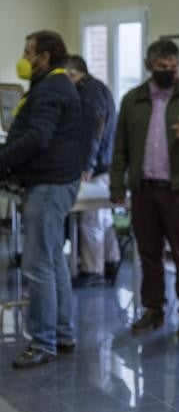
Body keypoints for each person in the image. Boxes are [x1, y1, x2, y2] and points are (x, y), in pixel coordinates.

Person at [110, 38, 179, 337]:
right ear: (149, 66)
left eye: (173, 67)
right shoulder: (132, 100)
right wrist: (117, 186)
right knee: (149, 254)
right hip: (143, 189)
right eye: (161, 67)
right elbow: (120, 148)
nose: (168, 72)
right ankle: (153, 309)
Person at [2, 31, 87, 368]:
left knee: (38, 265)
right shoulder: (54, 84)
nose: (24, 58)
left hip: (49, 185)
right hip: (54, 181)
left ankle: (43, 342)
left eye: (28, 52)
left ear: (45, 58)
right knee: (52, 263)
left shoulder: (52, 86)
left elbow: (38, 137)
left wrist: (4, 160)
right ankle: (62, 336)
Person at [65, 55, 120, 288]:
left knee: (92, 220)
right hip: (104, 163)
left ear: (74, 74)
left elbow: (93, 131)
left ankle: (92, 270)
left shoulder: (89, 92)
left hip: (97, 166)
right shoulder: (97, 88)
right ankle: (110, 261)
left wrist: (86, 166)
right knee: (103, 218)